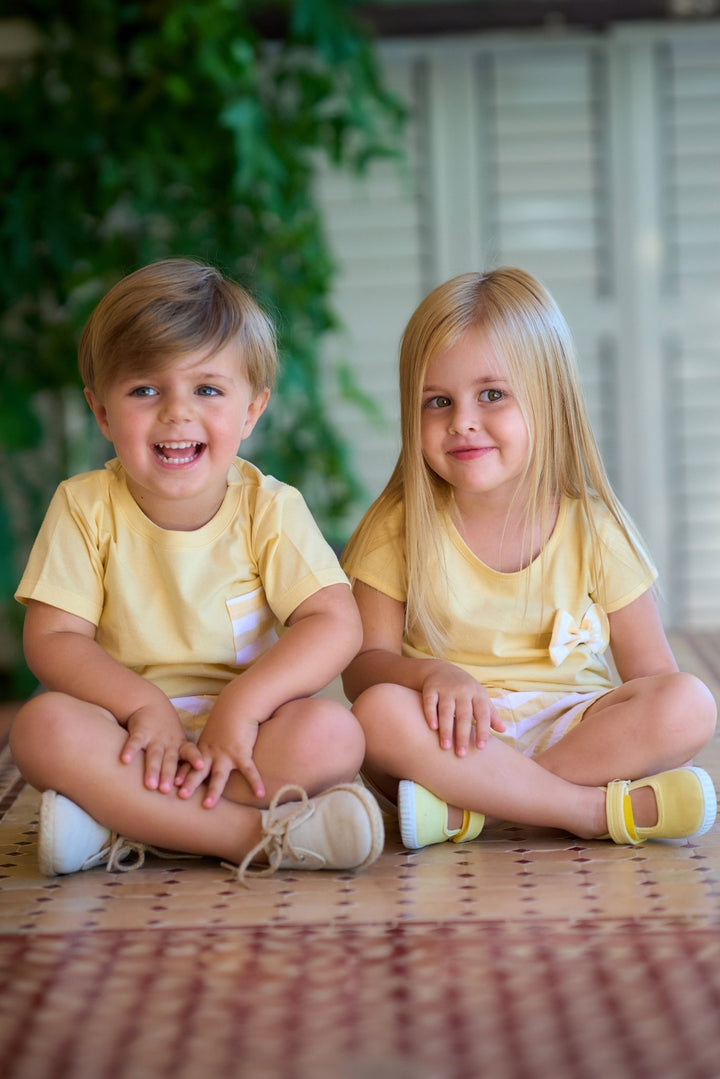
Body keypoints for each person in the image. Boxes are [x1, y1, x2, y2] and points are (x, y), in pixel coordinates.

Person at [10, 258, 383, 881]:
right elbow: (52, 640)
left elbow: (334, 623)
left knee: (334, 733)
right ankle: (254, 834)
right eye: (145, 389)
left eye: (207, 389)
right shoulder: (83, 506)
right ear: (102, 413)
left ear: (251, 411)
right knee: (41, 727)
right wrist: (142, 706)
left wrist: (243, 704)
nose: (176, 413)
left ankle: (119, 822)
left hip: (250, 733)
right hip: (126, 731)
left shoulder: (271, 508)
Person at [341, 267, 717, 850]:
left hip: (573, 734)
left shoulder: (594, 527)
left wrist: (642, 727)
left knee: (689, 702)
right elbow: (363, 665)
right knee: (378, 713)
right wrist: (431, 674)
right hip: (452, 738)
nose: (462, 420)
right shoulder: (398, 527)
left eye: (491, 395)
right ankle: (586, 812)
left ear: (548, 398)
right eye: (437, 401)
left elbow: (653, 676)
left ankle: (476, 809)